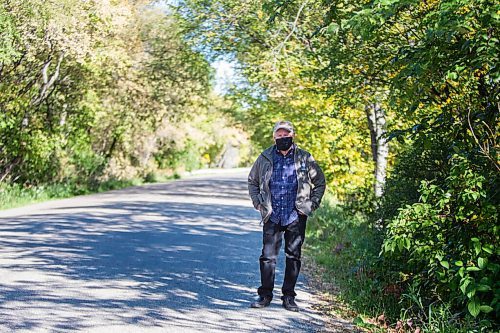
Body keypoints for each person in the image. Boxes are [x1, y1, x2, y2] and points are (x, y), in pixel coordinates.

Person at [247, 120, 326, 312]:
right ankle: (265, 295)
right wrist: (258, 203)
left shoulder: (305, 158)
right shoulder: (265, 157)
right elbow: (253, 181)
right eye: (279, 135)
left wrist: (310, 205)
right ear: (274, 137)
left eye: (286, 134)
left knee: (293, 257)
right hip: (272, 215)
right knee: (267, 257)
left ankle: (289, 297)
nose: (283, 138)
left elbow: (320, 183)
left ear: (293, 135)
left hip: (295, 216)